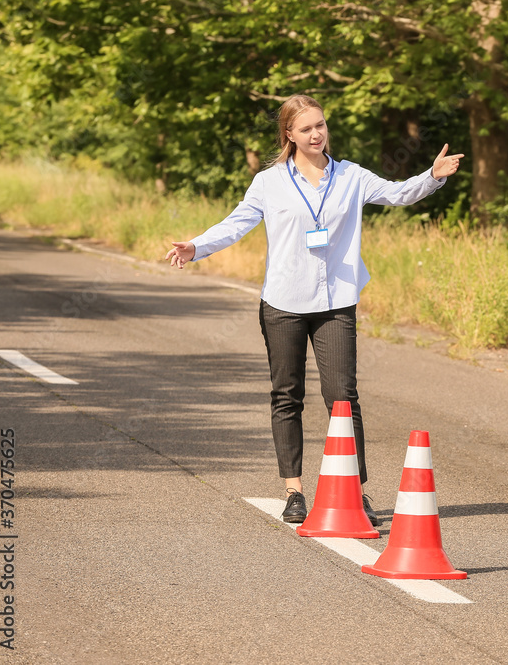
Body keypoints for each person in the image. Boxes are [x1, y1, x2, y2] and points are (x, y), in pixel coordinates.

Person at [165, 94, 463, 524]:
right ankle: (294, 490)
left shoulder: (351, 177)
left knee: (342, 397)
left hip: (336, 301)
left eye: (321, 125)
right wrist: (197, 246)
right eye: (306, 129)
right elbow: (236, 224)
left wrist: (432, 177)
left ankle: (353, 490)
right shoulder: (269, 183)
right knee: (287, 396)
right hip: (283, 302)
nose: (317, 134)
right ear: (289, 134)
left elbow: (398, 194)